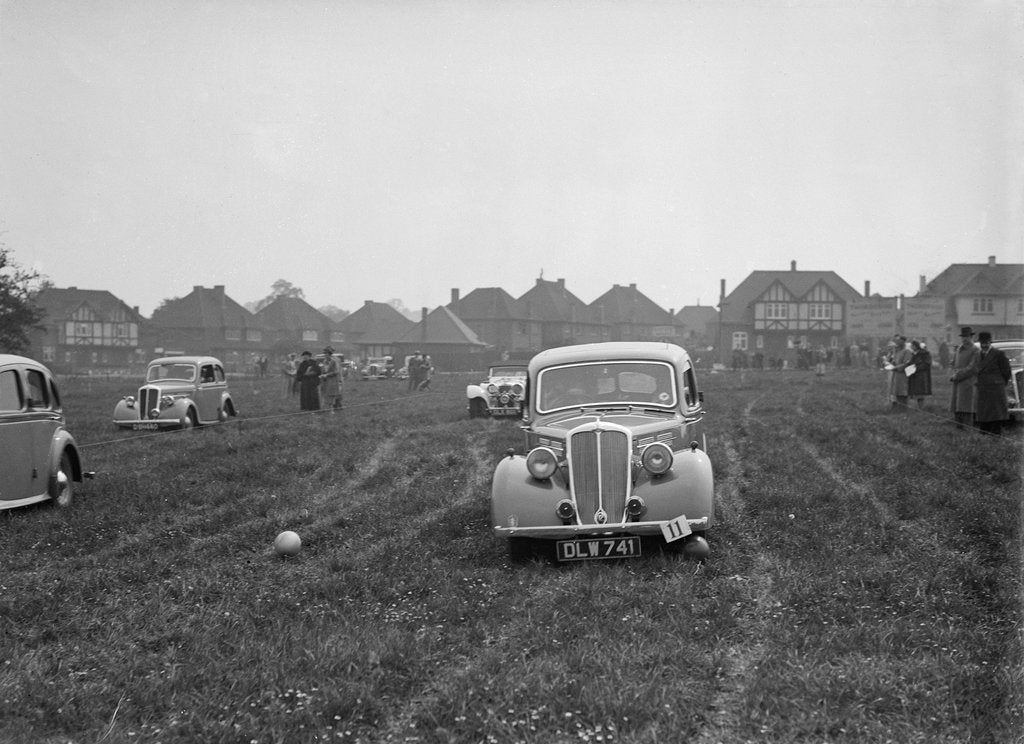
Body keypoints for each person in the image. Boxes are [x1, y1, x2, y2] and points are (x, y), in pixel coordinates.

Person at [974, 331, 1012, 435]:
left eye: (986, 343)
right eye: (982, 343)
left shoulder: (999, 354)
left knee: (995, 415)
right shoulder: (978, 355)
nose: (984, 345)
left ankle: (996, 436)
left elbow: (1006, 371)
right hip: (983, 389)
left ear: (990, 342)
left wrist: (998, 383)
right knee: (984, 415)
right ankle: (984, 436)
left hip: (996, 390)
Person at [949, 327, 980, 430]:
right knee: (957, 408)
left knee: (967, 408)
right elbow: (953, 363)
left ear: (971, 337)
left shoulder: (975, 350)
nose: (964, 339)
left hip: (968, 383)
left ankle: (967, 431)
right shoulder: (959, 349)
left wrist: (957, 375)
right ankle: (958, 430)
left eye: (967, 337)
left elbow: (972, 367)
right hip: (957, 382)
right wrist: (953, 372)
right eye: (963, 337)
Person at [888, 336, 913, 409]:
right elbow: (894, 361)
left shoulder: (907, 351)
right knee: (896, 390)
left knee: (903, 391)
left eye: (899, 342)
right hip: (896, 374)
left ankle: (904, 406)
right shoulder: (897, 351)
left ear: (903, 342)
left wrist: (897, 368)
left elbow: (907, 363)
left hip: (903, 374)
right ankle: (898, 406)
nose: (897, 344)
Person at [906, 339, 933, 409]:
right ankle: (919, 407)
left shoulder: (924, 353)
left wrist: (915, 368)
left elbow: (927, 364)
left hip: (921, 376)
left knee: (920, 393)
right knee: (916, 392)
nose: (911, 347)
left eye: (912, 346)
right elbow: (911, 363)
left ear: (915, 346)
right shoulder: (914, 354)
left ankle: (921, 408)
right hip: (914, 376)